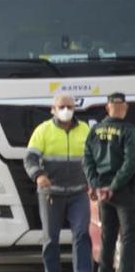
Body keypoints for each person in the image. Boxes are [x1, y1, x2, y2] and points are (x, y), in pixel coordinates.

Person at [24, 93, 92, 272]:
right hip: (51, 194)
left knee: (82, 234)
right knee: (50, 239)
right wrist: (38, 175)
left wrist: (94, 183)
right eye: (62, 107)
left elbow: (94, 159)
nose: (66, 110)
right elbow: (30, 158)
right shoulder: (43, 130)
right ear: (53, 110)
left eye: (70, 107)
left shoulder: (85, 129)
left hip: (79, 193)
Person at [83, 92, 135, 272]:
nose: (121, 109)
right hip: (124, 191)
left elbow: (87, 160)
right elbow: (130, 163)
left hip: (103, 193)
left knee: (108, 235)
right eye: (118, 106)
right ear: (108, 107)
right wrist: (113, 186)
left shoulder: (94, 131)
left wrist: (96, 185)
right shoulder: (129, 131)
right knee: (128, 235)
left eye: (123, 106)